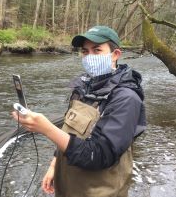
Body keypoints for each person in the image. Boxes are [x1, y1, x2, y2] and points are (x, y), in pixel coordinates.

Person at [12, 26, 146, 197]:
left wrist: (46, 129)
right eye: (85, 51)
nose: (89, 56)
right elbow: (69, 131)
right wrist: (54, 165)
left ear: (115, 54)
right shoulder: (82, 87)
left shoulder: (126, 98)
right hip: (69, 186)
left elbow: (99, 154)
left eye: (97, 50)